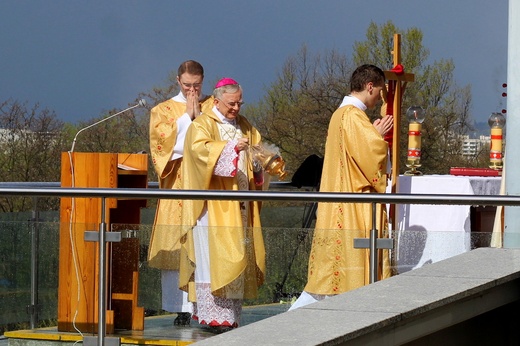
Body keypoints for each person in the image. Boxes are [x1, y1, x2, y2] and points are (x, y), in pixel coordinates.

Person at [289, 64, 394, 310]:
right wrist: (378, 136)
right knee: (342, 274)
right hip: (350, 205)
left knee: (327, 281)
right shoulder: (353, 116)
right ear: (370, 86)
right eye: (379, 91)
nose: (379, 97)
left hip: (338, 199)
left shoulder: (341, 114)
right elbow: (370, 156)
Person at [179, 78, 267, 332]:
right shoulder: (203, 125)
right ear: (216, 101)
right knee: (213, 258)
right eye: (231, 103)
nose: (236, 108)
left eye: (240, 102)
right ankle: (213, 317)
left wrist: (262, 160)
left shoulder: (245, 126)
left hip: (240, 204)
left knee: (237, 256)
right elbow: (198, 154)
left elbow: (258, 153)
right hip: (213, 206)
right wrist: (229, 149)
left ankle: (230, 316)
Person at [147, 60, 214, 325]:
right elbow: (164, 148)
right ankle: (181, 308)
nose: (192, 90)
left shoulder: (213, 106)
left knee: (206, 246)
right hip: (177, 187)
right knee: (178, 245)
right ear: (178, 81)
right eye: (187, 85)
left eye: (196, 85)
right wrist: (188, 116)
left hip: (207, 188)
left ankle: (207, 307)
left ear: (203, 81)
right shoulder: (162, 110)